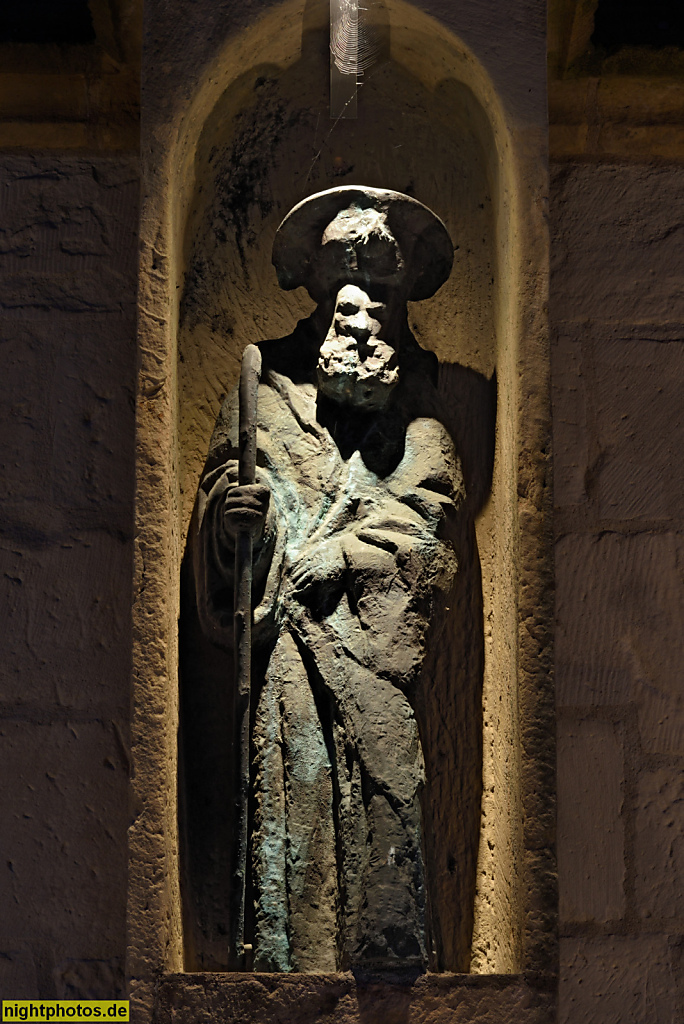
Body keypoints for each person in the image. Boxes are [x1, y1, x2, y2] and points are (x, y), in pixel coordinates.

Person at [193, 187, 465, 972]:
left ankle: (382, 964)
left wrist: (343, 556)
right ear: (316, 288)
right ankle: (287, 967)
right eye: (346, 280)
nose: (361, 305)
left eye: (379, 284)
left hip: (371, 657)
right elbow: (225, 496)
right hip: (289, 656)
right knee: (296, 804)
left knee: (385, 805)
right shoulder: (262, 395)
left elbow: (428, 522)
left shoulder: (421, 414)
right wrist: (237, 518)